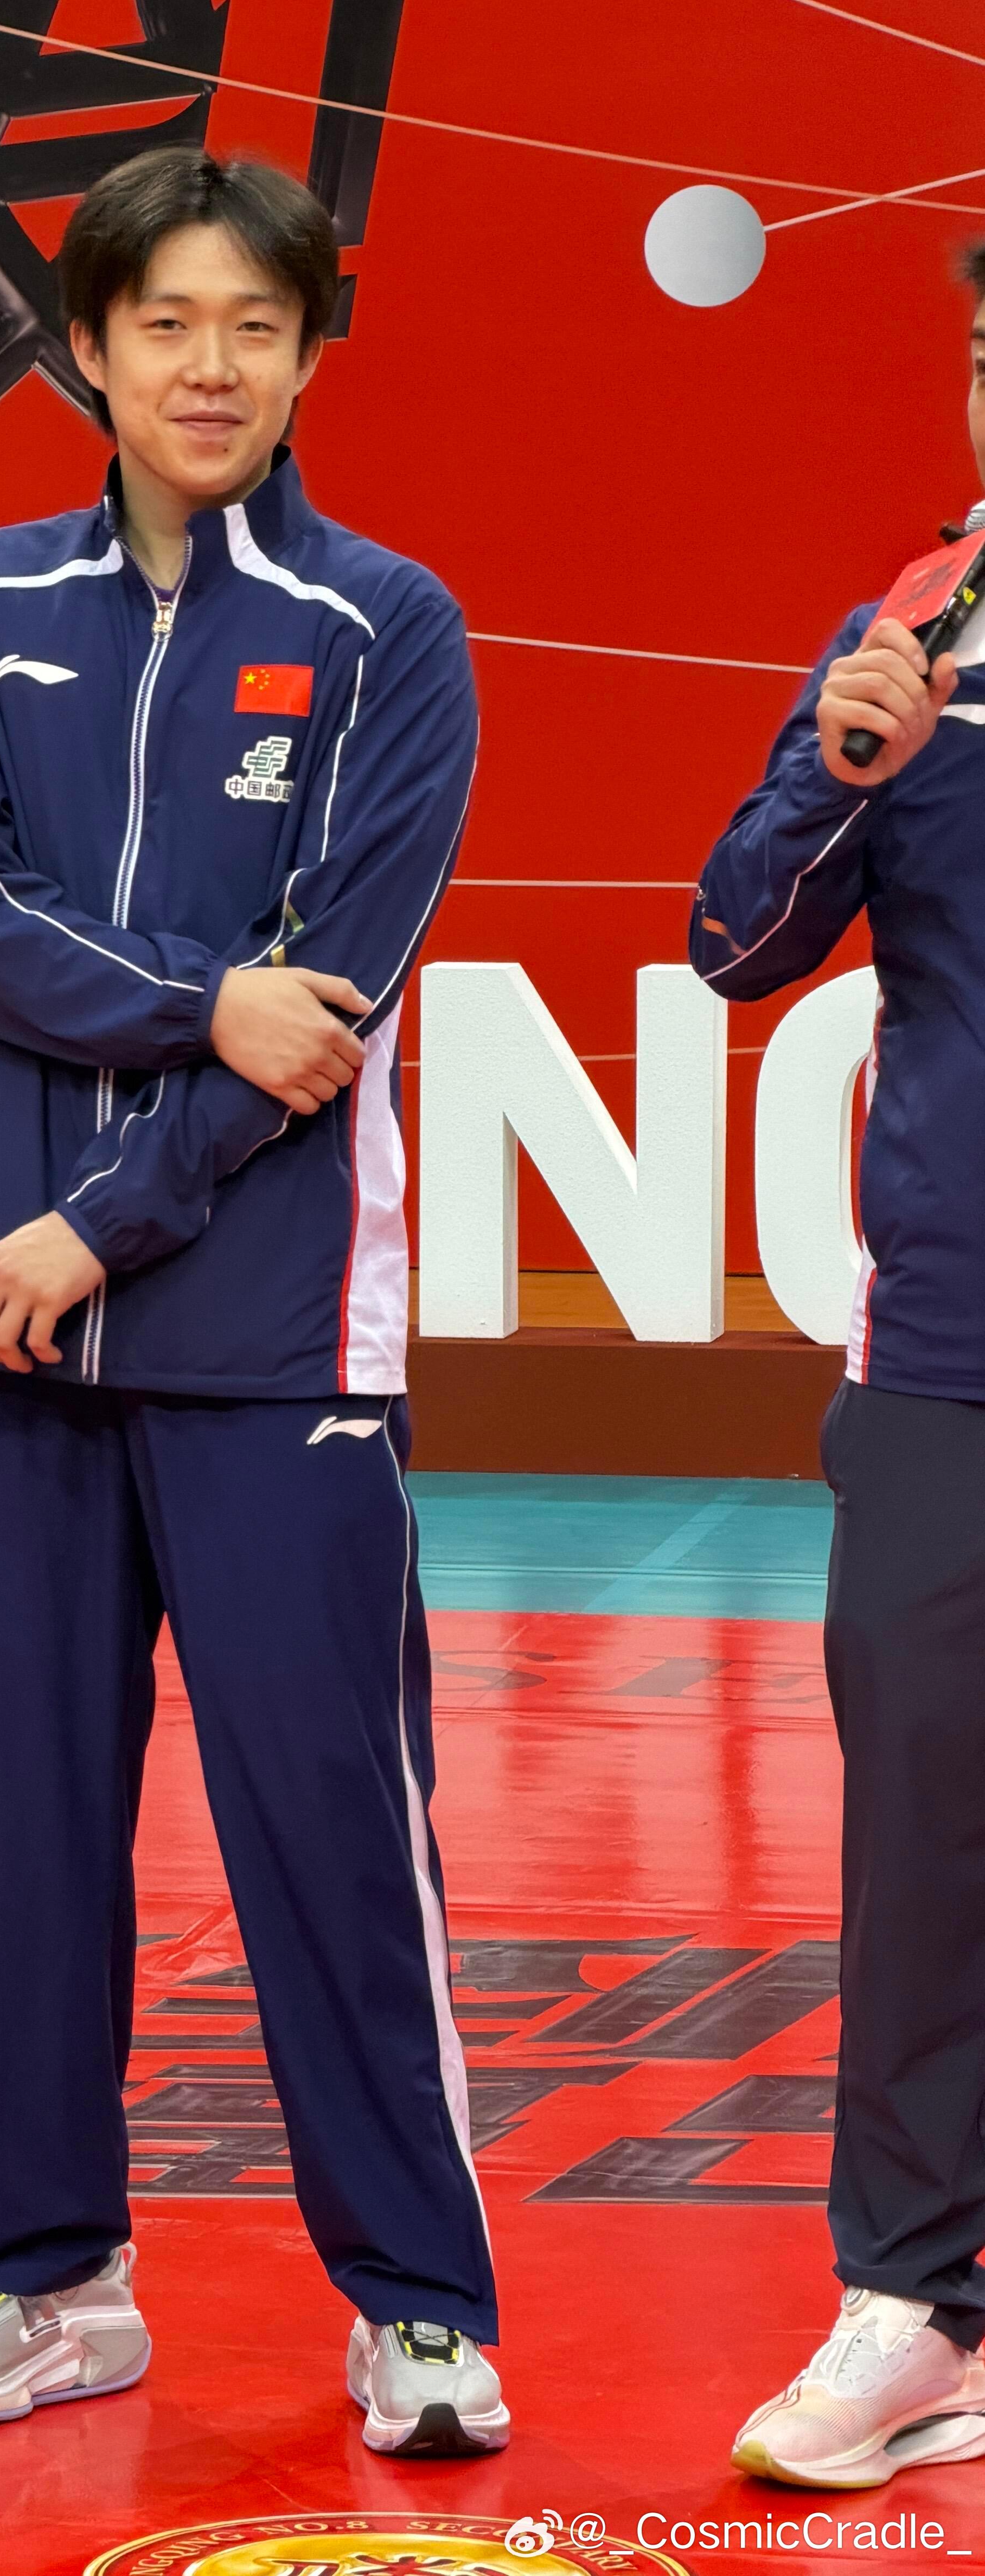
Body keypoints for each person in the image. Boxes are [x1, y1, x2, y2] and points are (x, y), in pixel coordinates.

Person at [0, 146, 503, 2456]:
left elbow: (331, 1002)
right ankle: (46, 2280)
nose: (209, 366)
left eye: (255, 324)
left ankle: (420, 2302)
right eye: (166, 324)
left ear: (312, 353)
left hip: (266, 1330)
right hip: (3, 1339)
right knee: (30, 1830)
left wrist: (102, 1219)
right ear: (90, 348)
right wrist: (197, 996)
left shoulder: (387, 627)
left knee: (331, 1824)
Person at [694, 245, 985, 2493]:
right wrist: (836, 760)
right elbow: (733, 939)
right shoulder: (913, 642)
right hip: (949, 1356)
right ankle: (917, 2304)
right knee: (924, 1847)